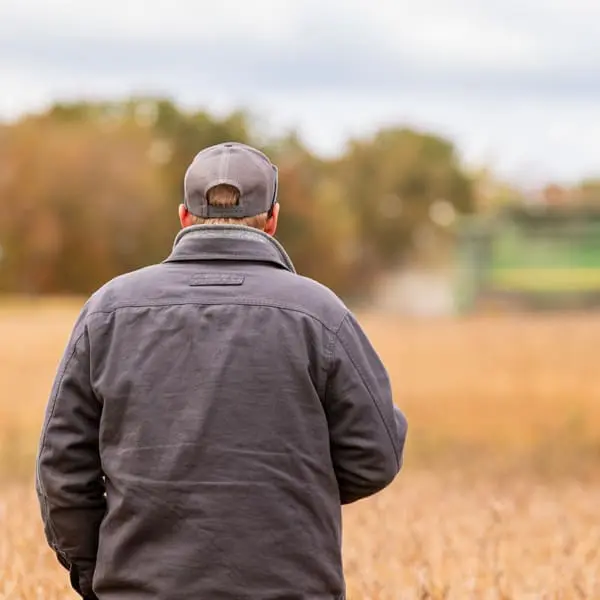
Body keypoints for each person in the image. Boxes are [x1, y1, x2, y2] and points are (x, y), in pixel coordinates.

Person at [35, 141, 408, 600]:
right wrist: (288, 491)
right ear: (272, 220)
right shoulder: (320, 313)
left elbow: (62, 471)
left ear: (184, 217)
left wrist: (101, 574)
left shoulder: (108, 311)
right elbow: (376, 455)